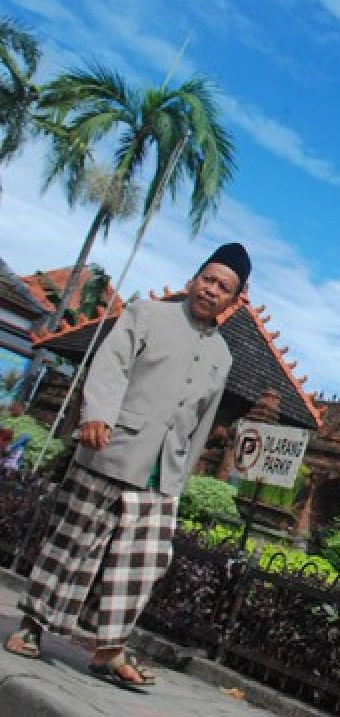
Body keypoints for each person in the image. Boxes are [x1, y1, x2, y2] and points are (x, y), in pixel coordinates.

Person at [3, 242, 250, 689]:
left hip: (161, 476)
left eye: (223, 287)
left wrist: (182, 474)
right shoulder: (146, 314)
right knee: (73, 545)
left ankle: (108, 650)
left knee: (142, 566)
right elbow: (110, 364)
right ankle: (33, 627)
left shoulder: (223, 357)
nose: (212, 290)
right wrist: (96, 414)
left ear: (235, 299)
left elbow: (202, 423)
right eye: (208, 279)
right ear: (194, 279)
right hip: (111, 450)